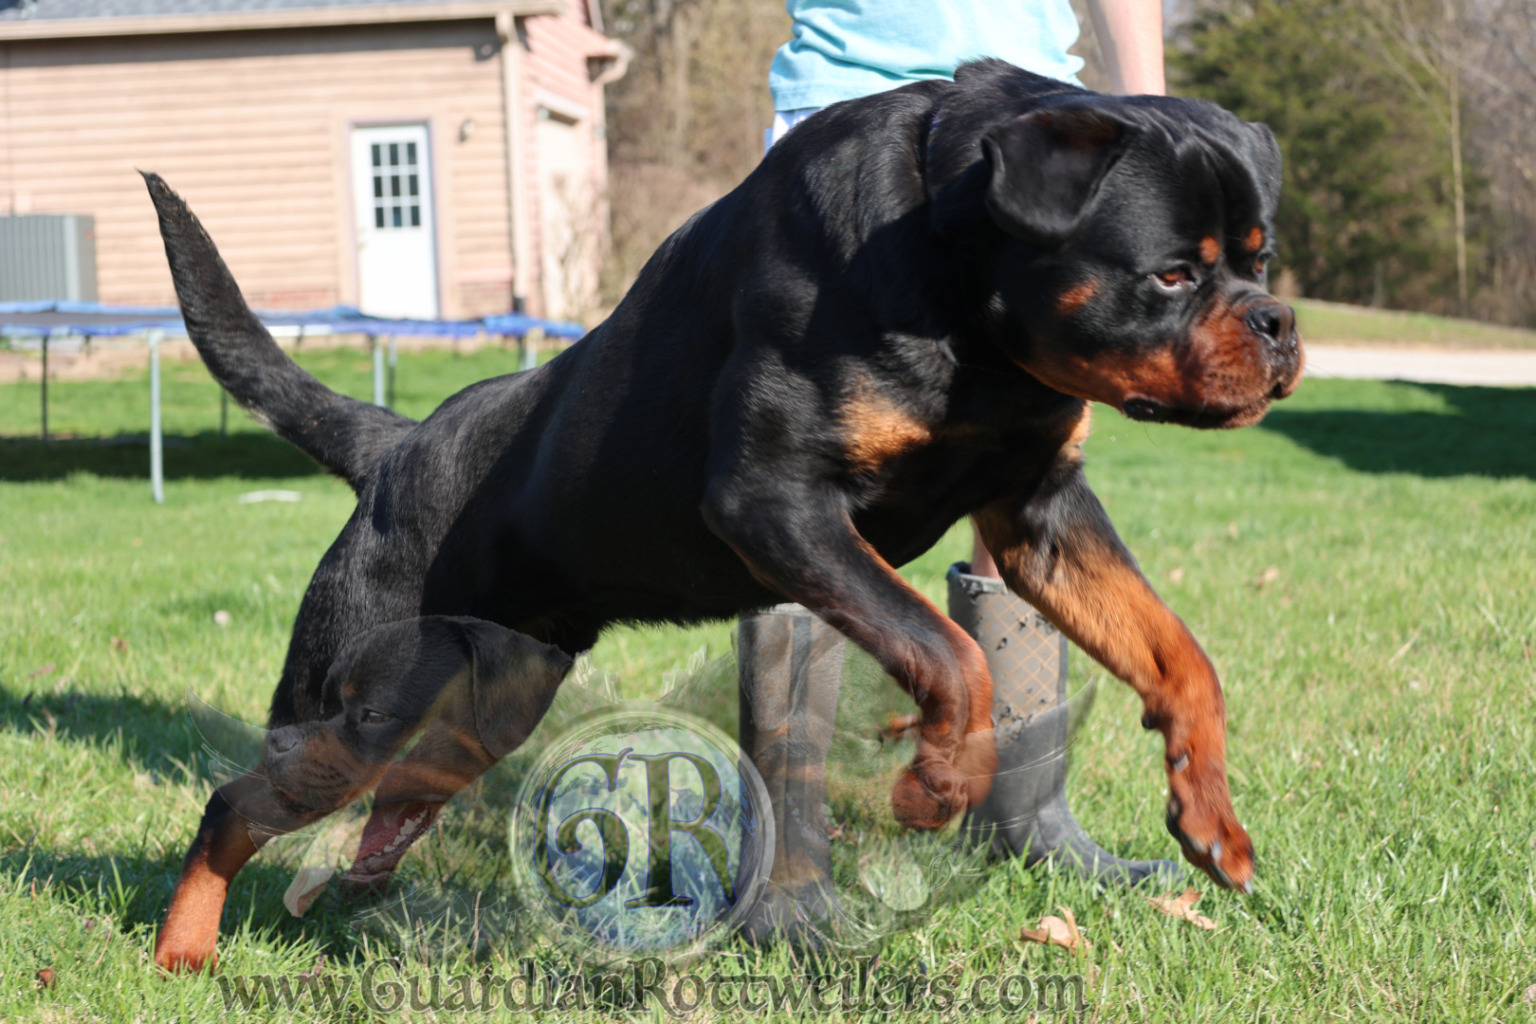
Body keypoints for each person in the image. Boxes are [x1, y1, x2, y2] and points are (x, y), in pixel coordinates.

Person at [750, 0, 1179, 886]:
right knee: (803, 474)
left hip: (1037, 122)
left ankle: (1023, 811)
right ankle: (784, 844)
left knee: (1025, 469)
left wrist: (1152, 119)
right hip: (842, 106)